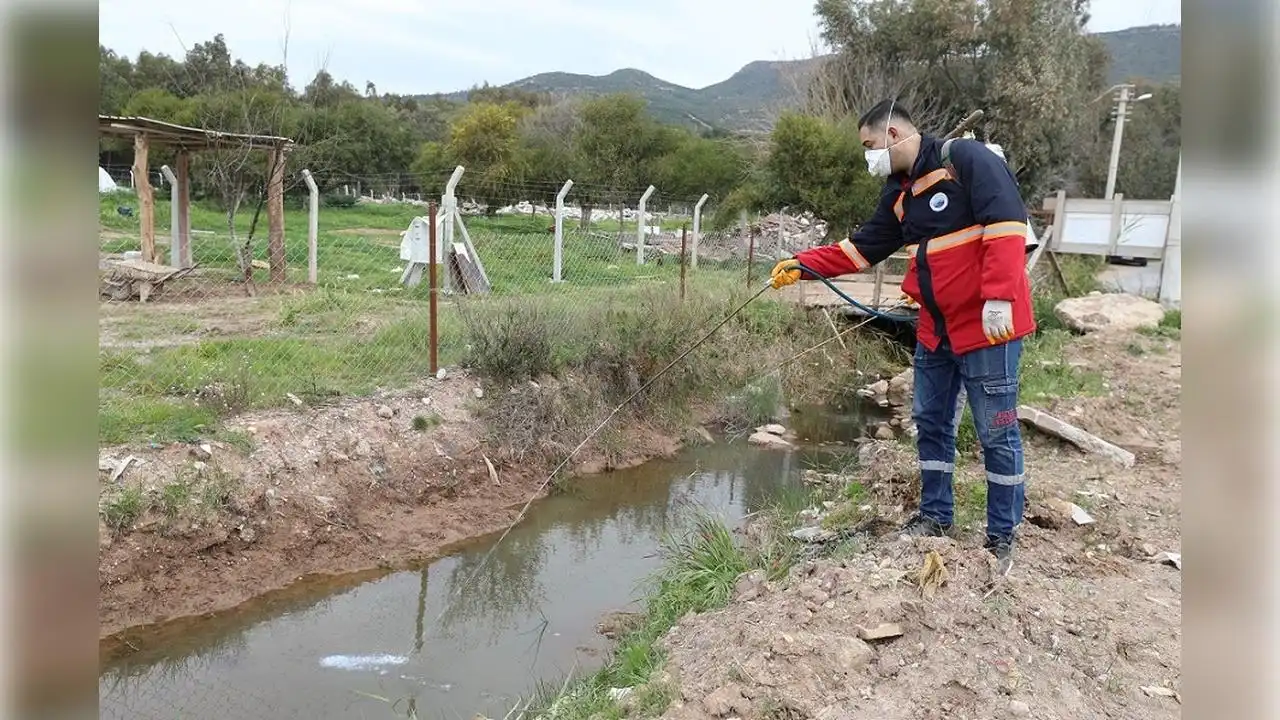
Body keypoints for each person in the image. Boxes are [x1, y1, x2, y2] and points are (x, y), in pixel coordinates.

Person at [770, 100, 1036, 575]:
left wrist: (998, 296)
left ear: (892, 134)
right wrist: (803, 264)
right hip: (934, 329)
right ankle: (935, 517)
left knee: (996, 431)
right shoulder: (901, 192)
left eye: (869, 146)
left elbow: (1008, 226)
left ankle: (1002, 535)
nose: (868, 156)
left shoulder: (967, 160)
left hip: (989, 326)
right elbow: (862, 249)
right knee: (931, 423)